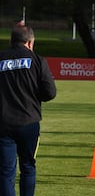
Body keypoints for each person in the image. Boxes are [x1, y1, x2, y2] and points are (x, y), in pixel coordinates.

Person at [0, 22, 57, 196]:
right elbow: (50, 92)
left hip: (3, 124)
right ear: (30, 42)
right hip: (29, 122)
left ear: (11, 41)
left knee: (5, 171)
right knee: (28, 167)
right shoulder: (38, 60)